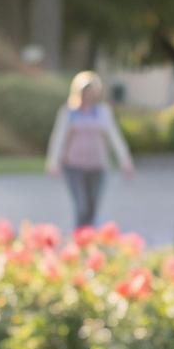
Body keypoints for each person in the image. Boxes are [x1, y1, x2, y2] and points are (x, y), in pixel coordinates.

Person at [45, 71, 134, 231]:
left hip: (97, 167)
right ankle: (79, 238)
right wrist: (53, 161)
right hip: (74, 167)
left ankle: (90, 239)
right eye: (85, 91)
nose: (88, 94)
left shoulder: (102, 112)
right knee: (81, 206)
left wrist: (125, 160)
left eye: (91, 91)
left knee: (92, 207)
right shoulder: (69, 112)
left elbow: (115, 137)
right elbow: (58, 137)